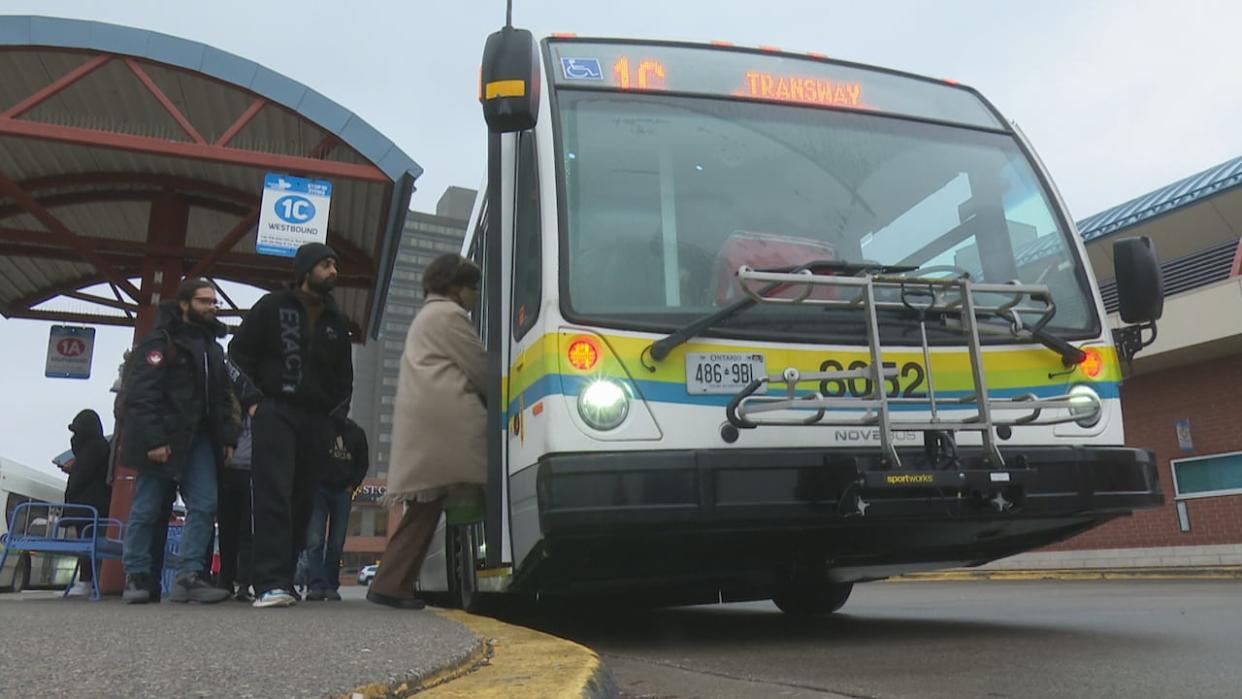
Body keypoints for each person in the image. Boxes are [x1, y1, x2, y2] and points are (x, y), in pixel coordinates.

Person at [229, 242, 354, 608]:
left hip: (316, 419)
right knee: (273, 493)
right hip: (274, 410)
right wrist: (252, 401)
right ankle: (269, 583)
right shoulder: (271, 307)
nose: (333, 271)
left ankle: (285, 578)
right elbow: (236, 355)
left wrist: (335, 420)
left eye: (336, 264)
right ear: (305, 270)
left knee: (303, 499)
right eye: (326, 264)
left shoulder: (336, 321)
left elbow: (344, 378)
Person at [368, 254, 486, 610]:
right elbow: (478, 366)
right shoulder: (449, 316)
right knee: (428, 509)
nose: (476, 295)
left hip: (428, 425)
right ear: (455, 288)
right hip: (446, 425)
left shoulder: (427, 315)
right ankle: (390, 584)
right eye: (472, 288)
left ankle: (394, 582)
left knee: (425, 510)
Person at [119, 278, 237, 604]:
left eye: (214, 302)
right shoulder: (160, 342)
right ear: (184, 304)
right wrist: (155, 439)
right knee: (147, 508)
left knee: (204, 505)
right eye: (204, 301)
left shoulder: (213, 349)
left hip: (200, 439)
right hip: (163, 439)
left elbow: (223, 398)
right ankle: (137, 575)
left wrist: (227, 437)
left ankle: (190, 575)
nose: (212, 307)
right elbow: (142, 394)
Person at [305, 416, 369, 601]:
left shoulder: (356, 433)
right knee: (315, 539)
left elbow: (363, 463)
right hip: (319, 489)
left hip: (342, 491)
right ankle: (316, 585)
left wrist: (353, 484)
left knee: (336, 542)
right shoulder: (319, 427)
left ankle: (331, 585)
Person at [63, 409, 113, 597]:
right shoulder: (102, 447)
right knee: (93, 544)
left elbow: (82, 476)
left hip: (86, 508)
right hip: (96, 507)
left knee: (86, 544)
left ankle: (86, 582)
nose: (74, 438)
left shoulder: (92, 449)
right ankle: (92, 582)